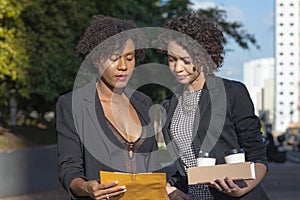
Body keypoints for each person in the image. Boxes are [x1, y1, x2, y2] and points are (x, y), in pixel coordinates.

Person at [158, 12, 269, 199]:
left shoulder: (232, 92)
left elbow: (258, 157)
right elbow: (187, 165)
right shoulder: (169, 105)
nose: (177, 68)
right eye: (172, 59)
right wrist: (171, 189)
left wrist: (242, 188)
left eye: (185, 60)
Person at [56, 15, 163, 200]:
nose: (123, 66)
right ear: (97, 59)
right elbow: (69, 169)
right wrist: (87, 187)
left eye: (129, 58)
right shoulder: (73, 104)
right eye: (114, 58)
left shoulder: (143, 102)